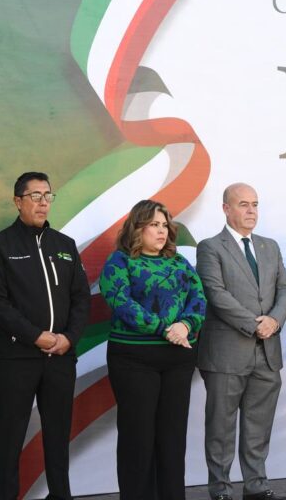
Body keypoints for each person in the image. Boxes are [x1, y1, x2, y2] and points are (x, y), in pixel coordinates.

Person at [0, 172, 90, 500]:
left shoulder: (65, 245)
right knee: (11, 439)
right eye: (35, 196)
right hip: (17, 359)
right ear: (18, 201)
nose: (43, 202)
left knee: (58, 439)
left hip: (60, 357)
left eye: (48, 195)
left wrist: (68, 338)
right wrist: (36, 337)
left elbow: (81, 298)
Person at [99, 199, 206, 500]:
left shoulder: (179, 263)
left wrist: (185, 325)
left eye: (164, 225)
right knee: (138, 439)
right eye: (154, 225)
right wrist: (164, 329)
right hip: (134, 361)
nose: (162, 231)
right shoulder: (119, 262)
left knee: (172, 439)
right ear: (137, 227)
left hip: (178, 360)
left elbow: (198, 299)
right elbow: (121, 303)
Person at [197, 183, 286, 500]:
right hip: (227, 353)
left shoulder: (270, 246)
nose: (251, 211)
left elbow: (285, 290)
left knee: (258, 425)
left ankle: (256, 485)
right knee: (221, 427)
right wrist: (255, 325)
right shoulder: (210, 247)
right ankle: (220, 489)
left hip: (267, 353)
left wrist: (275, 320)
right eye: (243, 205)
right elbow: (216, 293)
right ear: (226, 208)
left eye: (255, 204)